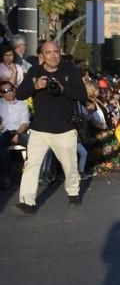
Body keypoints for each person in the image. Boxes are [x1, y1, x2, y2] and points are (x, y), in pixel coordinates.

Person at [14, 41, 87, 214]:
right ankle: (27, 202)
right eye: (48, 52)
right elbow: (20, 94)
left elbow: (82, 95)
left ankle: (73, 193)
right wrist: (35, 86)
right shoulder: (35, 71)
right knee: (31, 165)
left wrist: (63, 88)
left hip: (64, 128)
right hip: (39, 129)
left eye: (56, 52)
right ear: (42, 56)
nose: (53, 56)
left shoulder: (70, 70)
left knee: (70, 166)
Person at [0, 80, 30, 188]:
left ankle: (28, 173)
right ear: (1, 93)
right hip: (4, 133)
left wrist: (17, 134)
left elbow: (25, 123)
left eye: (10, 89)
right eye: (5, 91)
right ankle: (5, 177)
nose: (9, 92)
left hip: (20, 132)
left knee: (34, 145)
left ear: (14, 89)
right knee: (2, 151)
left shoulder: (22, 104)